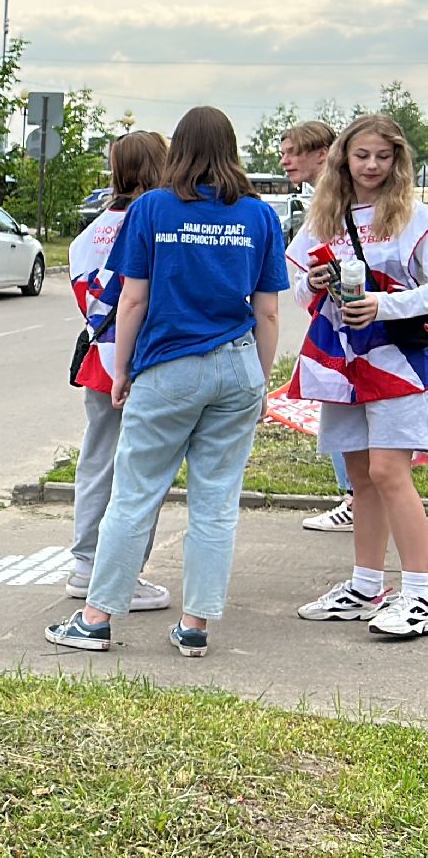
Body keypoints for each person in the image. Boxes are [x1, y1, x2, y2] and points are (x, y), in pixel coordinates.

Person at [47, 107, 286, 658]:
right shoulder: (259, 216)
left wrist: (123, 368)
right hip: (237, 365)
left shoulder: (152, 208)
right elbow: (267, 311)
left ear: (178, 148)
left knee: (134, 494)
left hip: (168, 367)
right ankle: (195, 625)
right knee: (217, 502)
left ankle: (95, 618)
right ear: (231, 149)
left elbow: (132, 299)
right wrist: (260, 381)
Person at [286, 114, 428, 638]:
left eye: (383, 156)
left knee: (392, 473)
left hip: (398, 359)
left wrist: (383, 305)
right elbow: (299, 291)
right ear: (343, 157)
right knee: (363, 478)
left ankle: (420, 592)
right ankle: (367, 585)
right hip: (340, 361)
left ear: (397, 161)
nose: (371, 165)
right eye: (362, 155)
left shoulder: (414, 215)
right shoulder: (326, 214)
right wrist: (317, 282)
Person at [64, 130, 172, 610]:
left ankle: (84, 564)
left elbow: (86, 299)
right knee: (143, 471)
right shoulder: (158, 223)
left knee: (96, 463)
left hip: (100, 361)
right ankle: (124, 573)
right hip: (147, 359)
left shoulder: (87, 235)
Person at [280, 119, 358, 532]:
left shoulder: (339, 202)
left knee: (347, 402)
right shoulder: (320, 203)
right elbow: (301, 279)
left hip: (362, 329)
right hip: (338, 325)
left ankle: (356, 498)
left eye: (293, 151)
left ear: (321, 153)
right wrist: (311, 282)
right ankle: (356, 494)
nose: (285, 160)